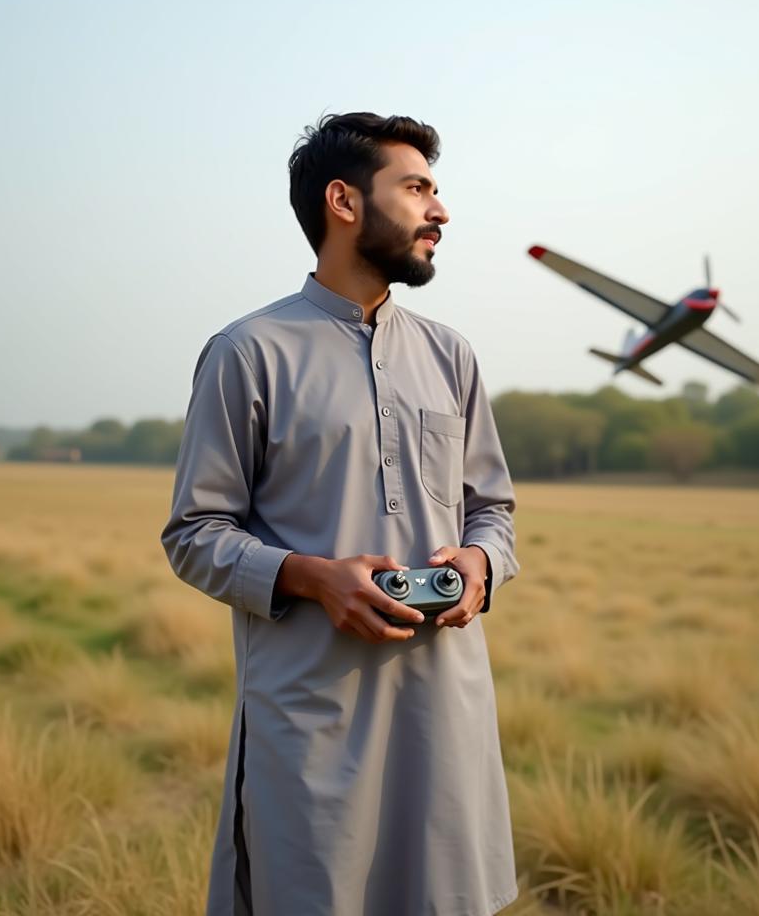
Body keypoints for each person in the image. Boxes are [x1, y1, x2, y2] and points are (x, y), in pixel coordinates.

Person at [161, 112, 520, 916]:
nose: (441, 211)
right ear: (344, 202)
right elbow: (194, 534)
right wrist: (312, 577)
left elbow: (491, 508)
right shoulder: (248, 352)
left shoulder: (449, 354)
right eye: (418, 187)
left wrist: (480, 564)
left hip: (445, 716)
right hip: (312, 721)